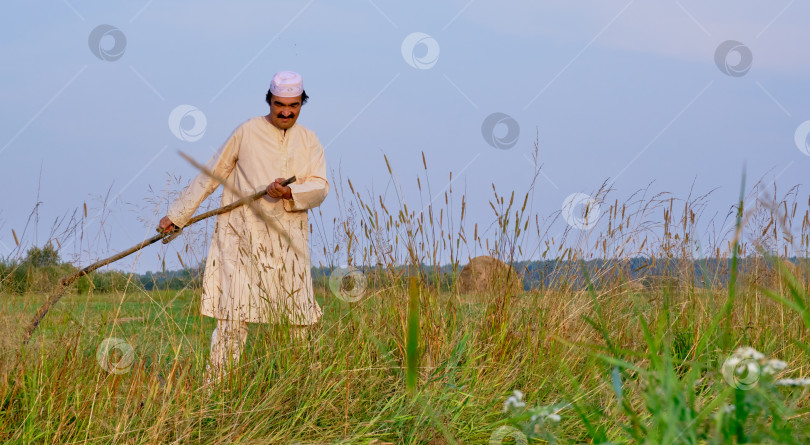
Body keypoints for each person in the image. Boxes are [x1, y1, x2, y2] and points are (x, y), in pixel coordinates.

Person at [157, 71, 329, 383]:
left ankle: (299, 393)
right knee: (232, 320)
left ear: (301, 104)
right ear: (270, 100)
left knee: (298, 322)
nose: (286, 111)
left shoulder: (310, 140)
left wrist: (290, 192)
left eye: (293, 105)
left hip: (288, 240)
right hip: (241, 239)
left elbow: (320, 187)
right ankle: (216, 396)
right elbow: (213, 173)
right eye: (280, 105)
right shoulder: (247, 131)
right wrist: (178, 215)